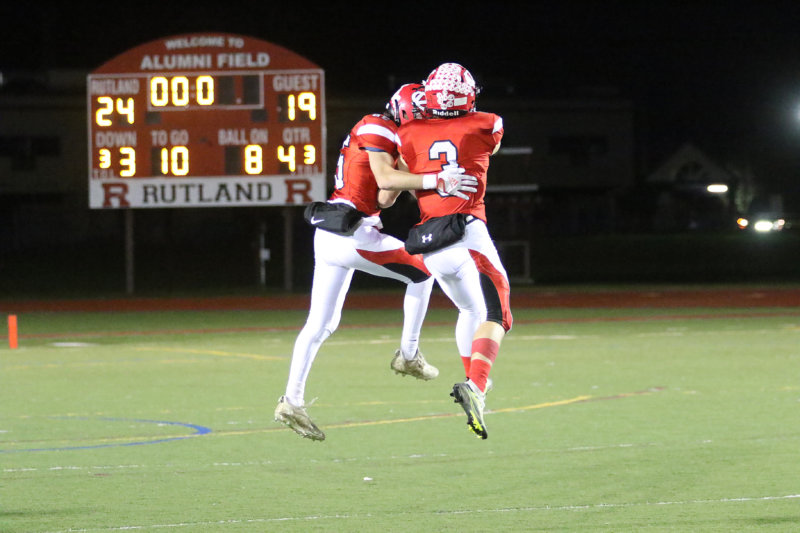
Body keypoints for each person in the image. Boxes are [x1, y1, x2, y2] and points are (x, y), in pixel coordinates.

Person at [274, 83, 479, 441]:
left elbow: (384, 196)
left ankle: (291, 401)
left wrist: (408, 167)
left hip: (332, 234)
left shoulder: (382, 133)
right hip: (353, 232)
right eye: (421, 113)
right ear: (406, 110)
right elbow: (385, 180)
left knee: (320, 325)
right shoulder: (376, 125)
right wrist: (436, 179)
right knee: (422, 274)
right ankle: (408, 354)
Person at [388, 63, 512, 439]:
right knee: (498, 312)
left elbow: (401, 178)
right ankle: (476, 384)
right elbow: (486, 140)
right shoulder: (486, 123)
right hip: (467, 230)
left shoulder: (407, 132)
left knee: (469, 309)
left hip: (431, 240)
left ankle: (474, 382)